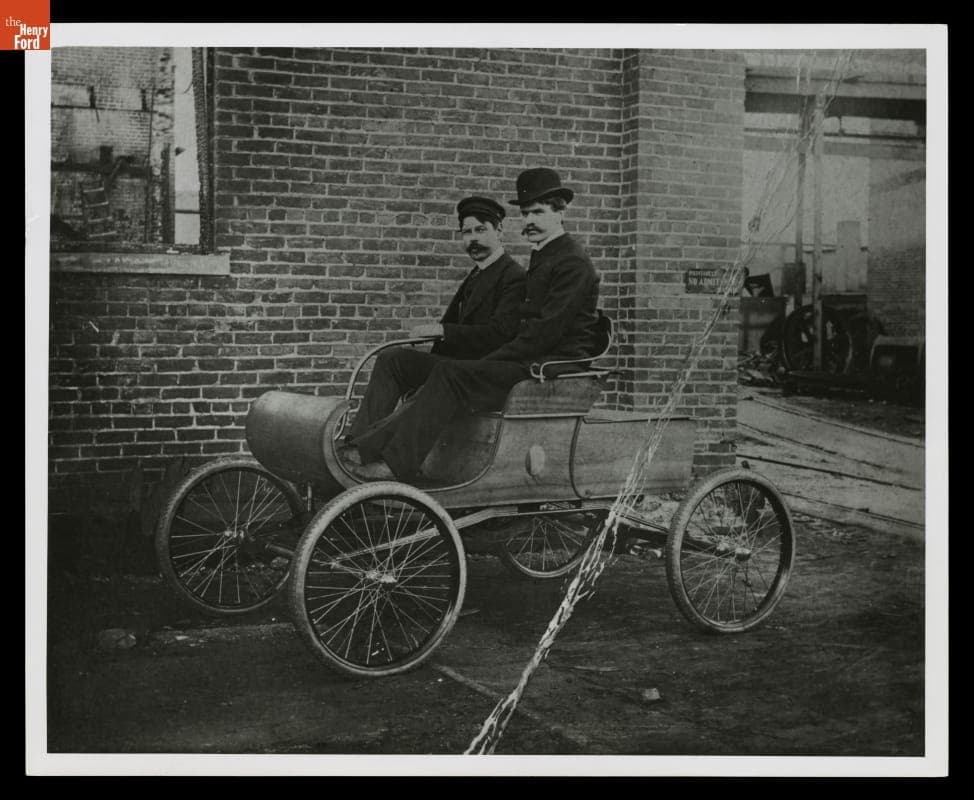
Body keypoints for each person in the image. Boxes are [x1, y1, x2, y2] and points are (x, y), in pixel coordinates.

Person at [352, 167, 602, 481]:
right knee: (401, 361)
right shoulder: (546, 254)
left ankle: (394, 466)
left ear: (560, 212)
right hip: (529, 359)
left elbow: (544, 332)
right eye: (525, 213)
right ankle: (361, 448)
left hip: (548, 367)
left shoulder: (572, 262)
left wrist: (489, 360)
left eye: (538, 212)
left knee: (450, 372)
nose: (529, 221)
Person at [345, 196, 525, 464]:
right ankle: (354, 444)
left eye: (480, 230)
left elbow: (501, 334)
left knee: (421, 369)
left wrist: (443, 330)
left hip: (480, 372)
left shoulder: (513, 277)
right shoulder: (477, 274)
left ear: (499, 231)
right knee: (392, 359)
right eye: (466, 232)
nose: (472, 239)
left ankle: (369, 453)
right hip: (457, 364)